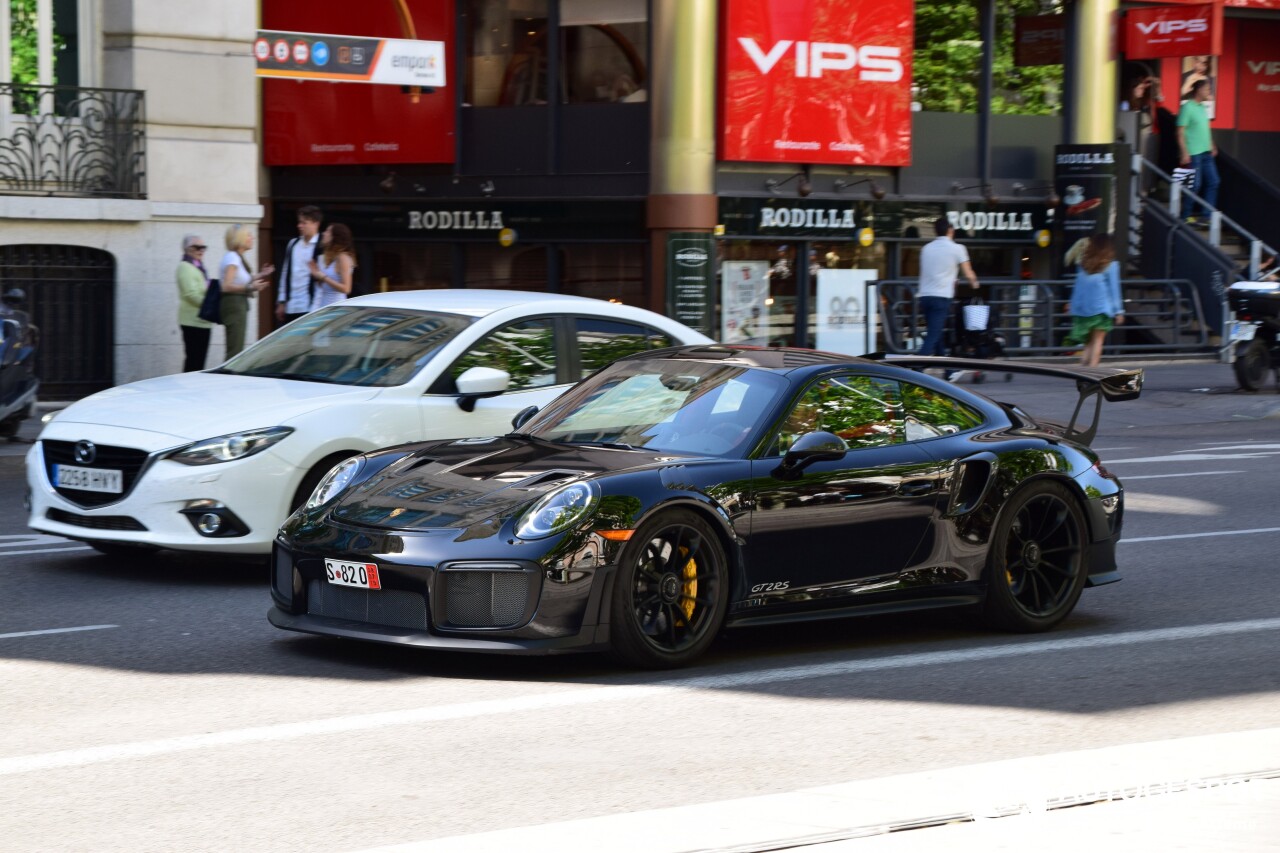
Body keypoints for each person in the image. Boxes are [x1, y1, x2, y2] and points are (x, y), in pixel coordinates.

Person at [917, 217, 979, 358]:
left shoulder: (926, 249)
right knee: (933, 335)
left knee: (936, 332)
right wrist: (975, 284)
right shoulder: (957, 249)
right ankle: (916, 369)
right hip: (941, 297)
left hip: (925, 296)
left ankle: (949, 370)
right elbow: (968, 273)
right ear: (950, 230)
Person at [1066, 233, 1125, 367]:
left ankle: (1083, 371)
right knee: (1098, 342)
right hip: (1102, 309)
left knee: (1088, 343)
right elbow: (1114, 289)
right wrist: (1119, 311)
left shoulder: (1083, 265)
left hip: (1085, 310)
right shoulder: (1111, 265)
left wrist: (1073, 306)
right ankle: (1092, 373)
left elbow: (1078, 288)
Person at [218, 225, 274, 358]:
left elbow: (242, 279)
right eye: (248, 235)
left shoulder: (235, 257)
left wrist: (262, 274)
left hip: (237, 305)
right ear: (240, 238)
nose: (252, 237)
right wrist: (250, 287)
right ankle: (228, 378)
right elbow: (226, 286)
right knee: (234, 351)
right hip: (234, 305)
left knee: (236, 348)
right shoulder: (233, 258)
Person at [1177, 79, 1219, 226]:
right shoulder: (1187, 107)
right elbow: (1180, 132)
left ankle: (1205, 216)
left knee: (1214, 181)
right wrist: (1184, 152)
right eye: (1207, 89)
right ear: (1199, 90)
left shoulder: (1202, 107)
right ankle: (1185, 216)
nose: (1209, 92)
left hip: (1206, 153)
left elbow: (1205, 129)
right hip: (1193, 153)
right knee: (1194, 185)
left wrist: (1212, 145)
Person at [275, 205, 323, 327]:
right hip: (291, 306)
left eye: (304, 223)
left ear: (315, 224)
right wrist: (282, 301)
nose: (299, 226)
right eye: (299, 222)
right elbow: (285, 273)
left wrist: (317, 307)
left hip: (311, 306)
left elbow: (323, 280)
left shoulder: (321, 245)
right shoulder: (293, 244)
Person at [175, 235, 214, 372]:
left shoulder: (198, 267)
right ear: (187, 249)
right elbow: (190, 294)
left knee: (199, 361)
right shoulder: (185, 266)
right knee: (194, 361)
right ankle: (187, 391)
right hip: (192, 321)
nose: (201, 250)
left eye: (203, 247)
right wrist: (209, 304)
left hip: (202, 321)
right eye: (196, 247)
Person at [307, 223, 355, 311]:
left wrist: (324, 278)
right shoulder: (327, 257)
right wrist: (317, 275)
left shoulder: (343, 258)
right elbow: (325, 286)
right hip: (323, 307)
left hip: (336, 309)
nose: (323, 233)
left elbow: (346, 289)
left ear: (335, 237)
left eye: (328, 231)